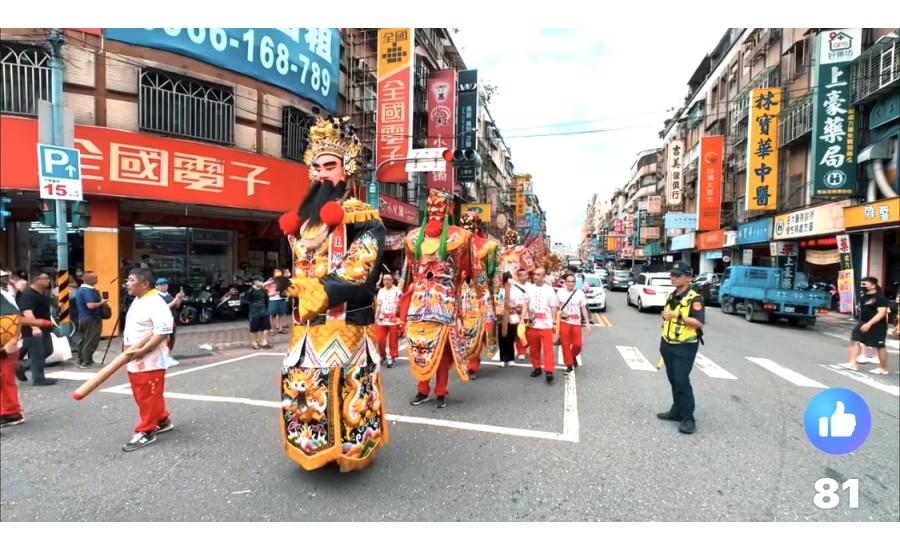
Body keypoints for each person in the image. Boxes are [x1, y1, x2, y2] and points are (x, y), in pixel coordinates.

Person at [276, 113, 388, 472]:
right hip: (306, 327)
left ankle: (349, 452)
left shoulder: (363, 217)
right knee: (303, 385)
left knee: (346, 387)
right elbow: (298, 268)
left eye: (330, 165)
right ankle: (313, 447)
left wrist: (316, 292)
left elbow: (361, 270)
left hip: (346, 323)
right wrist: (288, 285)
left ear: (346, 169)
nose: (322, 173)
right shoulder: (306, 223)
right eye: (317, 166)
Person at [400, 189, 473, 408]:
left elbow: (465, 273)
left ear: (449, 208)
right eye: (431, 205)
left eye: (440, 206)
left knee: (441, 351)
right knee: (419, 347)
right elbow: (407, 273)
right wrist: (401, 305)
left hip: (444, 305)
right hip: (418, 304)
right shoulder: (413, 238)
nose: (435, 210)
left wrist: (460, 303)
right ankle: (422, 390)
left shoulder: (459, 237)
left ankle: (441, 391)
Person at [121, 267, 176, 451]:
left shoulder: (155, 302)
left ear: (144, 283)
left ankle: (146, 430)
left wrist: (144, 350)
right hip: (135, 355)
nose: (127, 283)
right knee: (142, 393)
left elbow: (163, 330)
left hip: (149, 358)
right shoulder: (140, 299)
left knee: (147, 394)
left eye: (130, 280)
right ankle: (162, 420)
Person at [657, 261, 704, 435]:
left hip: (685, 346)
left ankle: (688, 419)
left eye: (677, 275)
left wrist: (678, 315)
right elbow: (667, 316)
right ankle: (676, 411)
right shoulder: (671, 295)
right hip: (668, 344)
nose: (673, 278)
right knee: (673, 380)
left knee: (682, 381)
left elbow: (698, 322)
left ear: (688, 277)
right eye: (672, 275)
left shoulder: (695, 298)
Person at [459, 210, 499, 380]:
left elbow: (494, 275)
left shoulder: (488, 246)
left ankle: (473, 364)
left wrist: (497, 300)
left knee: (476, 329)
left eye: (469, 224)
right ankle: (461, 361)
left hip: (479, 294)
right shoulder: (454, 245)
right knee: (459, 329)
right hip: (458, 293)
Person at [15, 272, 56, 386]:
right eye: (45, 278)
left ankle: (21, 366)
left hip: (44, 327)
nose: (48, 280)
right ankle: (38, 378)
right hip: (33, 329)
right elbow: (27, 312)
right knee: (38, 353)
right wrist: (34, 327)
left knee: (47, 350)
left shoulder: (41, 294)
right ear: (37, 280)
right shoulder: (28, 295)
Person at [521, 267, 560, 383]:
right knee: (534, 348)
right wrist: (522, 318)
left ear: (543, 277)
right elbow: (525, 304)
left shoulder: (549, 290)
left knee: (548, 349)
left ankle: (549, 370)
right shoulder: (529, 288)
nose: (535, 277)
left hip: (546, 324)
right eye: (534, 274)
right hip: (533, 323)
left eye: (538, 275)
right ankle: (537, 367)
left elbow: (553, 306)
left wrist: (553, 321)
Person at [847, 276, 890, 375]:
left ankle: (882, 368)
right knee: (855, 340)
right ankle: (852, 363)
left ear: (873, 285)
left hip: (878, 325)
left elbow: (882, 313)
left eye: (864, 284)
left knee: (879, 346)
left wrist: (870, 324)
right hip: (863, 322)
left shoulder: (880, 298)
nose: (862, 286)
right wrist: (864, 323)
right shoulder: (863, 297)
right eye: (861, 284)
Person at [1, 269, 26, 429]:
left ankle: (11, 413)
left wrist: (13, 340)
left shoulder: (3, 297)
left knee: (4, 379)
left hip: (5, 345)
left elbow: (15, 319)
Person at [556, 272, 591, 375]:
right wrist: (559, 313)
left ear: (575, 283)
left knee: (578, 344)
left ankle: (572, 356)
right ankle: (569, 365)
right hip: (564, 322)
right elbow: (555, 306)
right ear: (565, 282)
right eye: (569, 281)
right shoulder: (560, 293)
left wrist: (587, 323)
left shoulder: (580, 293)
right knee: (565, 345)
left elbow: (583, 308)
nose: (571, 283)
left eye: (573, 281)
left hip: (576, 323)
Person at [75, 271, 109, 369]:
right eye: (95, 277)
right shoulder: (88, 291)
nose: (97, 279)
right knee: (91, 340)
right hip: (91, 318)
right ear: (89, 279)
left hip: (83, 317)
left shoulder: (80, 289)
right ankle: (87, 361)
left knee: (83, 339)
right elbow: (90, 305)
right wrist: (102, 302)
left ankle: (81, 360)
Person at [374, 272, 401, 368]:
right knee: (380, 339)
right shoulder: (381, 291)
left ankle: (393, 357)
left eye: (389, 279)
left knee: (393, 339)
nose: (386, 281)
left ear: (392, 280)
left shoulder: (397, 290)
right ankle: (383, 356)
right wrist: (376, 318)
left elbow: (401, 305)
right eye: (384, 279)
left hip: (393, 318)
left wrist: (399, 309)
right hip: (382, 317)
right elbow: (379, 305)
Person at [154, 277, 184, 358]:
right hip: (163, 322)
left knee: (172, 338)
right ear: (156, 286)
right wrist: (175, 299)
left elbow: (177, 306)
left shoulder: (168, 294)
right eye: (161, 284)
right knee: (164, 339)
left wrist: (180, 298)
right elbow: (164, 308)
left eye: (165, 284)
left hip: (172, 320)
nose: (164, 286)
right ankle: (162, 356)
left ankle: (167, 354)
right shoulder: (156, 296)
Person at [243, 275, 271, 350]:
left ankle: (264, 342)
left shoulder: (263, 290)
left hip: (264, 311)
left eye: (262, 281)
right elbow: (246, 300)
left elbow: (266, 298)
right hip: (254, 312)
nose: (261, 282)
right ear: (255, 281)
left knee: (266, 327)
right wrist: (253, 305)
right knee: (254, 328)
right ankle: (254, 342)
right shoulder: (250, 291)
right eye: (260, 281)